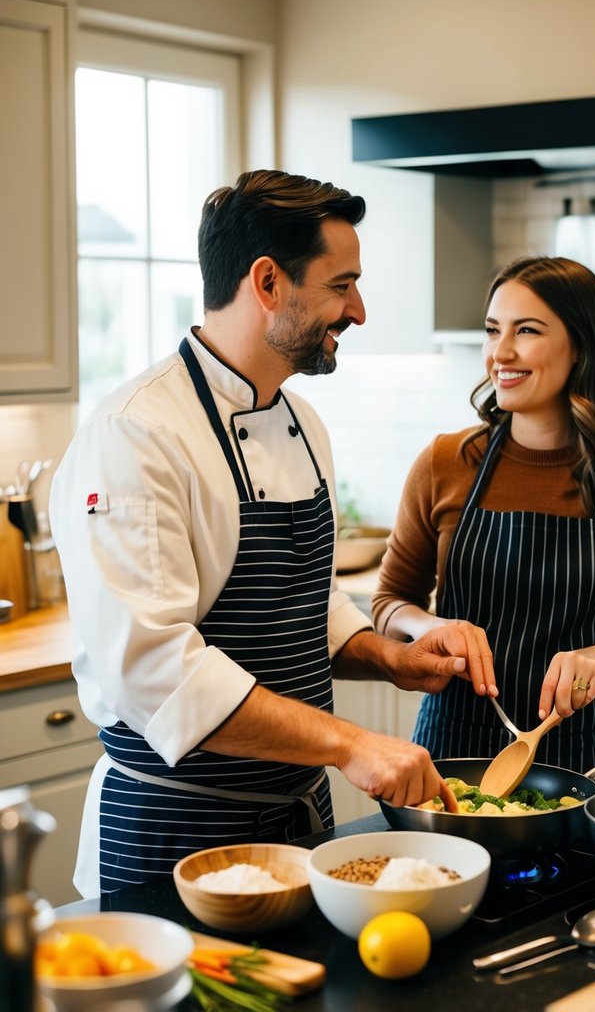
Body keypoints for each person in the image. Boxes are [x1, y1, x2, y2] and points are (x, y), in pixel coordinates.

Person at [49, 168, 496, 898]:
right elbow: (151, 670)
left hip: (297, 826)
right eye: (340, 284)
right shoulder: (135, 435)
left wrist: (389, 657)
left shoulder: (300, 421)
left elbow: (299, 600)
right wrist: (348, 743)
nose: (357, 309)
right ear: (267, 283)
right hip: (175, 830)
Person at [372, 256, 595, 785]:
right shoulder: (445, 461)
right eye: (492, 330)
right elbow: (388, 605)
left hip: (591, 764)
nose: (501, 352)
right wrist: (432, 627)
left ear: (580, 345)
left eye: (526, 331)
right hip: (450, 760)